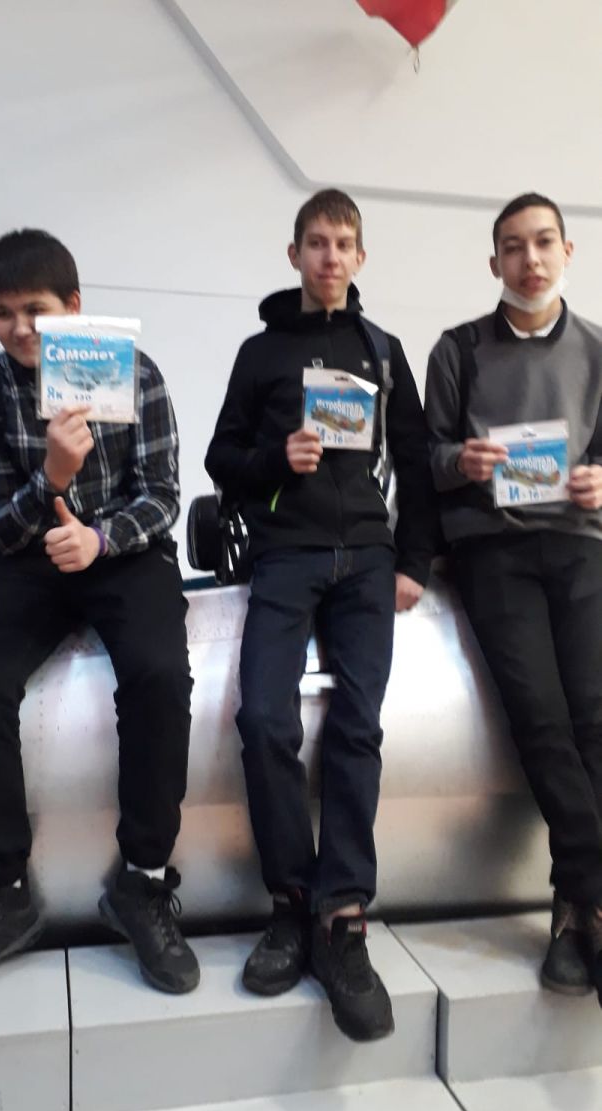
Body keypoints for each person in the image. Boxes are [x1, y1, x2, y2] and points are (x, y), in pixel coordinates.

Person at [0, 229, 199, 1001]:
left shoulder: (134, 375)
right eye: (2, 312)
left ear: (73, 307)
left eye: (35, 310)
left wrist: (99, 537)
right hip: (24, 557)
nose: (19, 328)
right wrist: (51, 477)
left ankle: (143, 880)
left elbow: (162, 497)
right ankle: (2, 892)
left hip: (122, 551)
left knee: (159, 676)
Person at [205, 189, 437, 1041]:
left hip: (367, 562)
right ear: (294, 254)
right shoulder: (259, 353)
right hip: (285, 556)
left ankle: (342, 914)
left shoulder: (382, 351)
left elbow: (414, 462)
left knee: (357, 726)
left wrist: (412, 562)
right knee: (263, 720)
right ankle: (290, 899)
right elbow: (222, 459)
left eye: (343, 243)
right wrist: (279, 456)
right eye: (316, 242)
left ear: (359, 258)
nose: (329, 256)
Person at [425, 192, 602, 1005]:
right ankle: (589, 894)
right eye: (511, 246)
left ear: (566, 250)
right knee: (539, 718)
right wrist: (457, 463)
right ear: (492, 261)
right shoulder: (457, 350)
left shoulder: (597, 351)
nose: (528, 259)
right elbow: (421, 455)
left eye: (541, 243)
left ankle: (575, 908)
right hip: (491, 548)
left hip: (580, 545)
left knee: (594, 717)